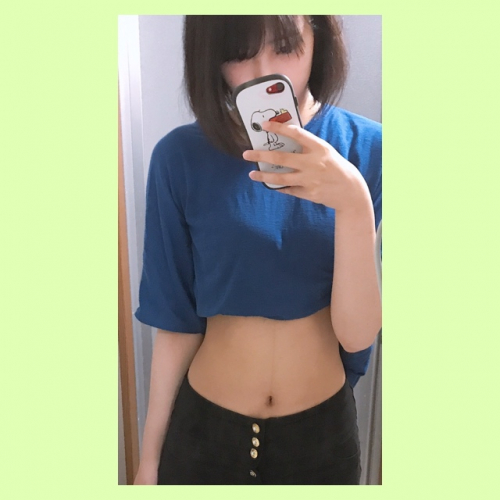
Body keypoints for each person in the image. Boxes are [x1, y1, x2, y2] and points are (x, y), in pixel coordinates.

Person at [132, 15, 382, 485]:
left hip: (320, 441)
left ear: (318, 40)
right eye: (239, 53)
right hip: (203, 435)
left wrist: (353, 202)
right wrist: (149, 460)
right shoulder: (179, 157)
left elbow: (357, 336)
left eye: (285, 46)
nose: (264, 72)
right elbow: (176, 321)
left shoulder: (368, 150)